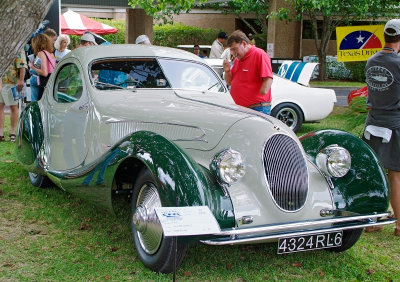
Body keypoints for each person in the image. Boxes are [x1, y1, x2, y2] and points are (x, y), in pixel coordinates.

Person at [362, 19, 400, 236]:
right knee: (395, 174)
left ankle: (372, 220)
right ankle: (399, 225)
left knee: (375, 173)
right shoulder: (398, 62)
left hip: (373, 122)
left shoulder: (371, 60)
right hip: (394, 123)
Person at [223, 30, 273, 115]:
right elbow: (230, 82)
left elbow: (268, 78)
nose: (233, 53)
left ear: (244, 44)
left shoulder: (259, 54)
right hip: (241, 108)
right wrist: (227, 71)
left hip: (257, 108)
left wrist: (262, 92)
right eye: (231, 50)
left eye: (235, 49)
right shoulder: (238, 59)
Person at [0, 49, 27, 142]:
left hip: (13, 82)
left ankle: (13, 133)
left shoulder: (18, 47)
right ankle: (0, 134)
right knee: (0, 106)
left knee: (14, 107)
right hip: (1, 82)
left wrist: (21, 80)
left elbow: (22, 64)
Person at [29, 33, 56, 100]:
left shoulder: (41, 53)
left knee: (35, 101)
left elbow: (44, 73)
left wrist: (32, 66)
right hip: (49, 81)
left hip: (41, 81)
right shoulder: (51, 54)